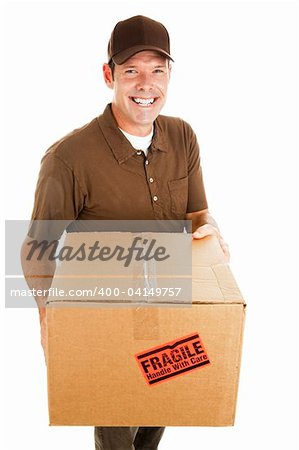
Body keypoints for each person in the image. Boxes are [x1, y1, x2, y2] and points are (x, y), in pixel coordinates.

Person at [21, 14, 229, 450]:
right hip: (105, 320)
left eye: (157, 70)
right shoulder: (68, 159)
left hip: (171, 310)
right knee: (117, 435)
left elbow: (198, 214)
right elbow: (37, 248)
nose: (145, 84)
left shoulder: (183, 136)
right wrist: (49, 320)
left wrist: (211, 233)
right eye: (131, 70)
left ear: (170, 75)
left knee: (158, 419)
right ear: (108, 75)